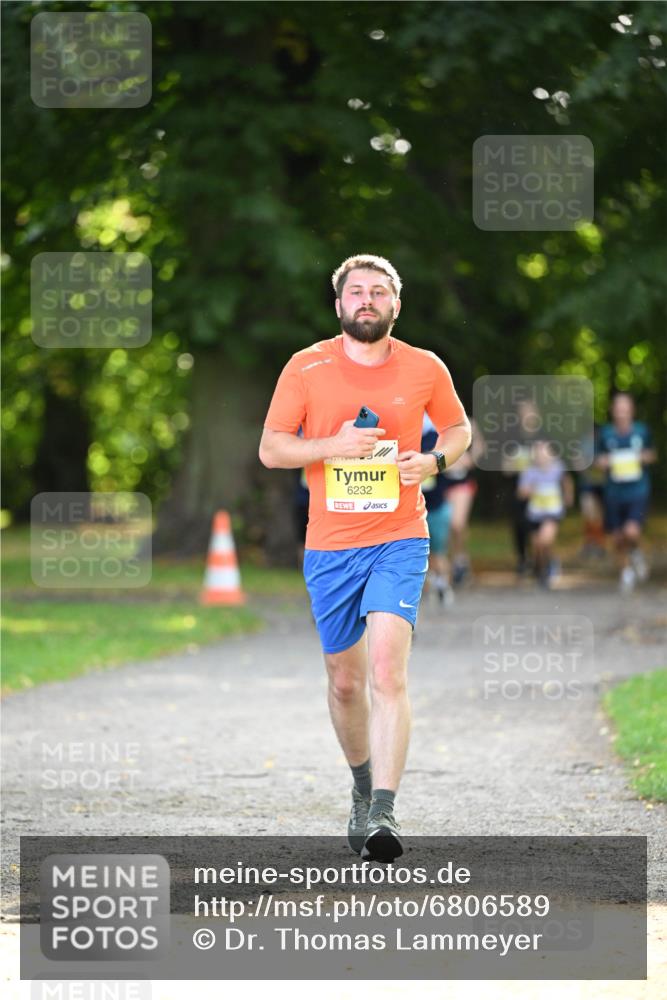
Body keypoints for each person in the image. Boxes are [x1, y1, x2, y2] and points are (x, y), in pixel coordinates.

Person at [259, 253, 470, 861]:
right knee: (347, 682)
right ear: (339, 305)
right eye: (357, 291)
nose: (367, 299)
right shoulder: (306, 367)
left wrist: (433, 461)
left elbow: (457, 431)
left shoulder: (425, 366)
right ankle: (360, 786)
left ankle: (383, 811)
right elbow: (272, 449)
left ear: (396, 305)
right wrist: (335, 445)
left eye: (379, 291)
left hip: (400, 537)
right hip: (330, 547)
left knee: (385, 672)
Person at [596, 392, 657, 593]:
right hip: (614, 492)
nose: (622, 412)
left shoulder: (642, 431)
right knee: (617, 537)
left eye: (625, 408)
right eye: (618, 408)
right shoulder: (606, 434)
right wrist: (603, 462)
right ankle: (626, 571)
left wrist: (644, 457)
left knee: (631, 531)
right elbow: (597, 459)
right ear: (613, 411)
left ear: (631, 410)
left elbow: (652, 454)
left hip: (637, 490)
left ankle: (636, 553)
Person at [518, 439, 574, 588]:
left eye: (544, 453)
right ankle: (542, 568)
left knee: (545, 540)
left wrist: (568, 496)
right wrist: (528, 490)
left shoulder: (558, 468)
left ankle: (549, 566)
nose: (541, 456)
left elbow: (566, 481)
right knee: (537, 546)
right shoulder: (529, 471)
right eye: (538, 453)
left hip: (552, 511)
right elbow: (520, 493)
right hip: (535, 513)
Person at [442, 418, 483, 586]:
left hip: (462, 483)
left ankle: (460, 558)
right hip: (442, 483)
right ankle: (450, 563)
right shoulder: (438, 424)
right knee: (444, 526)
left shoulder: (467, 425)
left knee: (457, 524)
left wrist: (472, 455)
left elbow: (475, 456)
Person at [421, 413, 454, 606]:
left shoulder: (437, 437)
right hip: (414, 508)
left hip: (437, 506)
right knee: (421, 554)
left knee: (438, 552)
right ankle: (429, 589)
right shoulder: (401, 439)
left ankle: (443, 586)